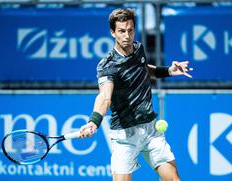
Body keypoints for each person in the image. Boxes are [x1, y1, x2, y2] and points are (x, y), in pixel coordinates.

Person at [79, 8, 193, 181]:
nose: (127, 36)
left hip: (151, 130)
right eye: (121, 31)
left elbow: (144, 70)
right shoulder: (107, 65)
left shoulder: (138, 48)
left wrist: (168, 71)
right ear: (112, 32)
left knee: (174, 179)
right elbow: (104, 97)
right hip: (125, 136)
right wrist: (93, 121)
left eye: (130, 30)